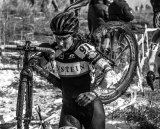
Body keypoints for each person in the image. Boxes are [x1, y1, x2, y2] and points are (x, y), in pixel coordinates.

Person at [32, 11, 119, 129]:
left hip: (91, 109)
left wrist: (95, 93)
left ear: (73, 35)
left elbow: (111, 74)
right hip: (69, 109)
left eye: (64, 39)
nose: (60, 43)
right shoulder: (55, 50)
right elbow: (36, 65)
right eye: (57, 38)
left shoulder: (84, 50)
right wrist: (36, 58)